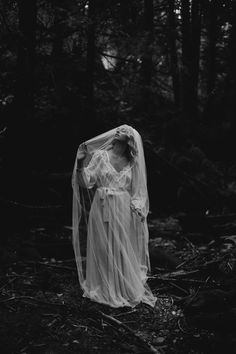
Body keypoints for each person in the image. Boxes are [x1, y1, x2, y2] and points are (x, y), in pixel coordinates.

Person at [72, 124, 157, 308]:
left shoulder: (133, 163)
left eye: (125, 131)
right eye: (119, 129)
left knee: (121, 247)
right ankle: (104, 288)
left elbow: (138, 191)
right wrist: (80, 163)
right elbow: (86, 182)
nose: (119, 130)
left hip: (123, 208)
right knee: (103, 247)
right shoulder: (100, 156)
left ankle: (123, 288)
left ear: (131, 140)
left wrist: (138, 208)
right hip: (101, 205)